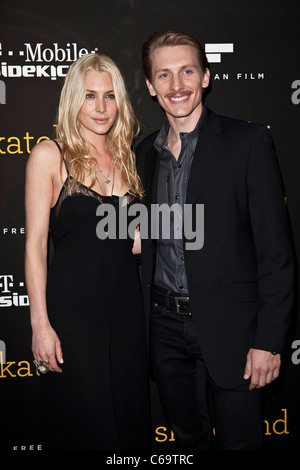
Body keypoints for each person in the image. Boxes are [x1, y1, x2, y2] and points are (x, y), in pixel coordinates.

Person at [136, 30, 295, 450]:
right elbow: (140, 237)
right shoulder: (144, 154)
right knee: (187, 442)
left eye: (187, 71)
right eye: (164, 75)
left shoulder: (248, 143)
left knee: (240, 444)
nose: (177, 85)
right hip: (165, 329)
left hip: (235, 331)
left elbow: (276, 253)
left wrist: (268, 340)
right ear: (151, 86)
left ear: (205, 76)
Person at [25, 53, 150, 450]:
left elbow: (131, 243)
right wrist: (40, 325)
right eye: (90, 96)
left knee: (127, 425)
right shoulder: (50, 155)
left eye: (110, 96)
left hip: (127, 315)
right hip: (74, 320)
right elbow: (35, 246)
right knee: (85, 427)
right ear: (73, 99)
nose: (101, 107)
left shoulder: (129, 157)